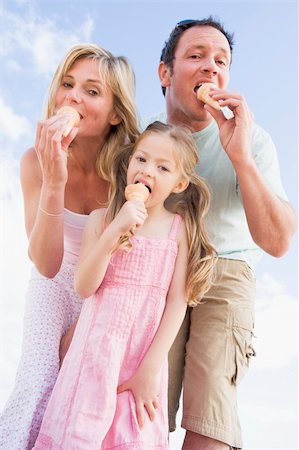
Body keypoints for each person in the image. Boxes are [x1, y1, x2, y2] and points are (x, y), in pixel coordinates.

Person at [143, 17, 297, 450]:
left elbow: (279, 241)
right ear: (165, 73)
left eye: (221, 60)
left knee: (210, 412)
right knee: (142, 405)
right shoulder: (144, 139)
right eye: (196, 56)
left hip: (225, 270)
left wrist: (241, 158)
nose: (211, 67)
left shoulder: (253, 140)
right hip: (156, 267)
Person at [32, 121, 216, 449]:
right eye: (141, 159)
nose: (148, 171)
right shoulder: (101, 220)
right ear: (129, 163)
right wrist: (115, 229)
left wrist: (151, 369)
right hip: (92, 358)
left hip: (141, 361)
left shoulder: (179, 229)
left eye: (163, 167)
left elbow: (177, 302)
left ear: (179, 183)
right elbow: (84, 287)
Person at [0, 43, 139, 450]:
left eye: (92, 91)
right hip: (54, 283)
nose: (73, 97)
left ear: (115, 113)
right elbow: (45, 263)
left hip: (105, 286)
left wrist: (82, 333)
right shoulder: (33, 161)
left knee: (85, 391)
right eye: (67, 84)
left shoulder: (128, 170)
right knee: (40, 373)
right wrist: (54, 181)